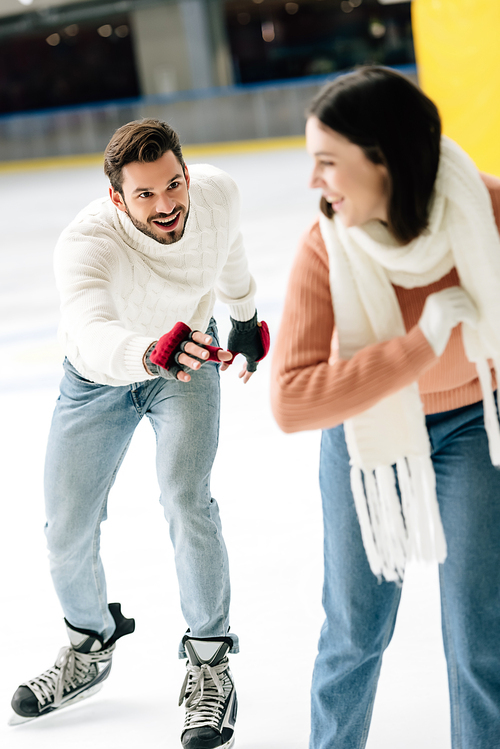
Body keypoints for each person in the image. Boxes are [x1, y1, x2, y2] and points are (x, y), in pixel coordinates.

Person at [10, 118, 269, 749]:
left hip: (187, 364)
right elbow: (93, 330)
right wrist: (150, 353)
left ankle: (210, 666)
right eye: (146, 195)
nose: (167, 204)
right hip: (99, 377)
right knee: (66, 524)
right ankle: (89, 647)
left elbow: (227, 247)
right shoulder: (87, 243)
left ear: (186, 173)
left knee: (187, 501)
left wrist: (245, 317)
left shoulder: (214, 194)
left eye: (173, 185)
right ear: (117, 200)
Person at [271, 66, 500, 749]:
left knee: (481, 637)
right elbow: (290, 401)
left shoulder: (486, 214)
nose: (315, 182)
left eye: (328, 163)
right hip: (367, 439)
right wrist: (419, 345)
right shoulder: (326, 245)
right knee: (352, 634)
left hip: (472, 425)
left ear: (385, 160)